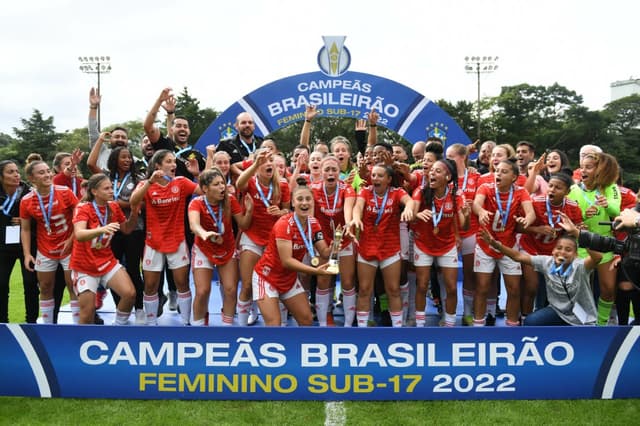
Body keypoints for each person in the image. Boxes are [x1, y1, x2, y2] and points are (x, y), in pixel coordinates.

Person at [480, 214, 601, 326]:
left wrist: (576, 232)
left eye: (568, 250)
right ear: (553, 251)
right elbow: (518, 256)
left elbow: (598, 257)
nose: (562, 252)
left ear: (575, 254)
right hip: (557, 312)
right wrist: (495, 245)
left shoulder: (580, 266)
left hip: (582, 316)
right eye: (559, 248)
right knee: (531, 322)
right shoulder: (546, 262)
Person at [130, 149, 202, 325]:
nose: (174, 165)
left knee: (182, 283)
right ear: (158, 166)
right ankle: (151, 324)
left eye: (174, 161)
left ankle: (185, 322)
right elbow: (133, 202)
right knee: (150, 286)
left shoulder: (181, 182)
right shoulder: (145, 184)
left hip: (177, 241)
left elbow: (204, 190)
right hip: (153, 243)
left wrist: (197, 174)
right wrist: (149, 182)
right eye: (169, 161)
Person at [252, 181, 336, 326]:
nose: (304, 203)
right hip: (267, 277)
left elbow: (324, 251)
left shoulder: (313, 223)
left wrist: (335, 246)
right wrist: (315, 271)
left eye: (308, 199)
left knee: (306, 320)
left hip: (288, 279)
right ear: (293, 202)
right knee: (274, 324)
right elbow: (287, 261)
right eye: (300, 199)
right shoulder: (284, 224)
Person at [349, 164, 415, 327]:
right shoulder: (365, 191)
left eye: (380, 175)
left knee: (393, 289)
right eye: (373, 175)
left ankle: (397, 329)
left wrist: (408, 208)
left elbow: (410, 201)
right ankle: (362, 328)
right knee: (364, 290)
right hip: (367, 248)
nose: (375, 179)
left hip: (390, 248)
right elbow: (358, 206)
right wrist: (356, 218)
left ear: (389, 179)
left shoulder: (396, 192)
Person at [472, 159, 535, 326]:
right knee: (482, 287)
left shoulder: (521, 192)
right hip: (485, 244)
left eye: (504, 171)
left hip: (508, 246)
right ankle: (478, 325)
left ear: (514, 177)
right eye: (497, 170)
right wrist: (481, 211)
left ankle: (512, 325)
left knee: (514, 289)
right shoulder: (485, 187)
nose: (498, 174)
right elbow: (476, 204)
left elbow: (531, 213)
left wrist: (527, 219)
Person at [70, 174, 139, 325]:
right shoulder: (83, 208)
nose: (111, 191)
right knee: (87, 315)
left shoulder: (113, 206)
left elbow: (126, 229)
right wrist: (102, 229)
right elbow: (79, 234)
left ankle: (117, 328)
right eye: (106, 188)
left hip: (107, 262)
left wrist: (134, 213)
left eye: (111, 188)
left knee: (129, 294)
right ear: (94, 191)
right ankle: (81, 344)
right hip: (84, 266)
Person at [188, 168, 253, 326]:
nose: (222, 187)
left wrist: (249, 210)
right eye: (216, 184)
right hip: (203, 249)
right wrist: (203, 233)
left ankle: (227, 328)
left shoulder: (230, 200)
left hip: (227, 248)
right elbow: (194, 225)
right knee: (203, 291)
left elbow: (243, 224)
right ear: (205, 188)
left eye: (222, 183)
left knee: (230, 290)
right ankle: (198, 327)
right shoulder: (196, 202)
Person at [20, 160, 79, 324]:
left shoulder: (65, 192)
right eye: (41, 172)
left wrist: (71, 238)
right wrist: (26, 254)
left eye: (48, 171)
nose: (47, 175)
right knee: (45, 287)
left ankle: (77, 327)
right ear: (32, 178)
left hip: (69, 248)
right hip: (45, 250)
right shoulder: (26, 200)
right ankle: (47, 327)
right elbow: (25, 229)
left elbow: (81, 217)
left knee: (73, 286)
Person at [236, 149, 291, 326]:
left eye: (270, 161)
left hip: (274, 241)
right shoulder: (251, 182)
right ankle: (243, 326)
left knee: (276, 284)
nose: (268, 164)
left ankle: (280, 324)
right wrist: (254, 164)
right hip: (251, 237)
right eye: (264, 161)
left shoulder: (282, 185)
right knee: (246, 285)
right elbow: (239, 184)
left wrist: (281, 212)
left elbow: (288, 212)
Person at [412, 159, 469, 327]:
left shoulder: (457, 195)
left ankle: (450, 323)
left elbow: (464, 226)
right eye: (431, 171)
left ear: (448, 177)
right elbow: (412, 213)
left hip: (447, 244)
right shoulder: (420, 191)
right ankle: (420, 325)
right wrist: (417, 215)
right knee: (422, 285)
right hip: (423, 243)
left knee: (451, 287)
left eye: (437, 171)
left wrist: (466, 215)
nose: (432, 173)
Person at [519, 172, 583, 318]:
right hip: (531, 247)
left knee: (554, 288)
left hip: (555, 253)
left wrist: (573, 231)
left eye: (558, 188)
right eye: (551, 186)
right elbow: (517, 228)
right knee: (531, 286)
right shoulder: (535, 202)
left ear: (567, 192)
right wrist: (536, 229)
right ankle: (525, 318)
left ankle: (551, 318)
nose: (552, 190)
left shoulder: (573, 207)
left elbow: (578, 231)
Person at [567, 152, 620, 325]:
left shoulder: (611, 187)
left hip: (605, 244)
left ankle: (601, 325)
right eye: (582, 167)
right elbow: (568, 218)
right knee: (581, 291)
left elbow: (616, 212)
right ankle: (583, 324)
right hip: (582, 246)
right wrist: (582, 217)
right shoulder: (573, 190)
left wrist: (607, 205)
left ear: (599, 170)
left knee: (608, 289)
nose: (584, 170)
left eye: (588, 167)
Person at [310, 156, 356, 326]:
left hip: (343, 239)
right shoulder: (313, 188)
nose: (330, 173)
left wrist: (349, 224)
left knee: (348, 281)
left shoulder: (347, 188)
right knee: (323, 280)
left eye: (334, 170)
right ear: (321, 172)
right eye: (327, 170)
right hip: (323, 242)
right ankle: (323, 324)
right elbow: (310, 217)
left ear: (339, 173)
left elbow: (348, 210)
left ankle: (348, 325)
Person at [445, 144, 481, 326]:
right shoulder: (445, 177)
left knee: (469, 273)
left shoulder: (476, 177)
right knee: (446, 277)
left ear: (462, 157)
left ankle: (467, 312)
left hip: (471, 231)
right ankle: (446, 313)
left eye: (450, 156)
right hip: (448, 233)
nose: (447, 160)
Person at [0, 160, 38, 323]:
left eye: (17, 171)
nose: (16, 175)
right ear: (1, 177)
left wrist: (26, 222)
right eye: (10, 172)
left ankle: (31, 322)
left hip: (27, 246)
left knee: (30, 284)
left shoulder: (28, 192)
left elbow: (40, 217)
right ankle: (3, 323)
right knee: (1, 285)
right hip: (3, 247)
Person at [88, 87, 131, 170]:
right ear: (109, 140)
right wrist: (93, 107)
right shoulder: (102, 152)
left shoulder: (133, 160)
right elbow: (93, 132)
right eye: (117, 137)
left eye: (123, 137)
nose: (120, 139)